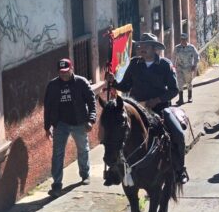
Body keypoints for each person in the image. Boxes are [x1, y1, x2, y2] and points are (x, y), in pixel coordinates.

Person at [107, 33, 188, 184]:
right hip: (136, 110)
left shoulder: (165, 65)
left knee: (178, 134)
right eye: (140, 46)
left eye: (145, 46)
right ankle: (115, 171)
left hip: (160, 109)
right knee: (114, 134)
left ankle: (180, 169)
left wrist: (156, 100)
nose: (141, 48)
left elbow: (174, 90)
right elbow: (125, 86)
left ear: (154, 48)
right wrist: (113, 82)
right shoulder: (134, 64)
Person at [44, 58, 96, 198]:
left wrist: (91, 120)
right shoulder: (53, 85)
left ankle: (85, 174)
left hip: (79, 122)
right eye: (61, 72)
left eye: (66, 72)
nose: (64, 75)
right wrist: (47, 126)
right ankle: (56, 184)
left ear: (72, 69)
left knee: (82, 149)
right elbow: (47, 106)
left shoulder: (81, 82)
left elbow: (92, 102)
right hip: (60, 123)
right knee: (57, 154)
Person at [173, 33, 199, 105]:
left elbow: (197, 56)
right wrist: (173, 67)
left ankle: (189, 97)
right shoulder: (177, 48)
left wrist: (194, 65)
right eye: (181, 39)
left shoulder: (191, 47)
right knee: (179, 83)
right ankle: (180, 99)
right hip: (179, 68)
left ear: (186, 39)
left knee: (189, 82)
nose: (183, 41)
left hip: (188, 68)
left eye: (184, 39)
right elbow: (173, 57)